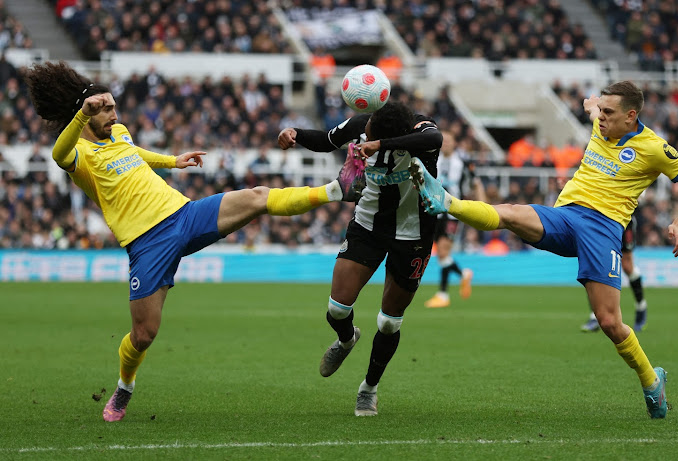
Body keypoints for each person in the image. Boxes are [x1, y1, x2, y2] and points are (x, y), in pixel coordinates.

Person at [24, 61, 351, 422]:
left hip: (183, 215)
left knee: (258, 197)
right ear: (86, 114)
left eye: (115, 107)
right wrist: (81, 116)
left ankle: (335, 189)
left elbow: (134, 153)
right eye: (106, 109)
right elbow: (58, 154)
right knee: (144, 335)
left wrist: (172, 161)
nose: (115, 115)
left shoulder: (119, 133)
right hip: (146, 244)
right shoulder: (77, 153)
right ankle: (125, 387)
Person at [408, 81, 678, 419]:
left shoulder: (653, 147)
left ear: (631, 116)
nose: (601, 119)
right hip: (566, 216)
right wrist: (592, 105)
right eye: (602, 112)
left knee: (610, 322)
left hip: (603, 229)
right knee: (510, 213)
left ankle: (652, 381)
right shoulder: (602, 119)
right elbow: (594, 106)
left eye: (609, 114)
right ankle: (447, 201)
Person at [278, 101, 442, 416]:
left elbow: (434, 140)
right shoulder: (364, 122)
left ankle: (369, 388)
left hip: (413, 233)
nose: (362, 131)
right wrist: (295, 133)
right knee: (337, 310)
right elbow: (326, 141)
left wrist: (379, 144)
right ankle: (346, 339)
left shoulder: (422, 132)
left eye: (369, 132)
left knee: (389, 323)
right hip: (368, 225)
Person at [424, 132, 474, 308]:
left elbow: (472, 183)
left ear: (455, 144)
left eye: (449, 141)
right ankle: (459, 278)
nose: (445, 144)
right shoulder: (433, 160)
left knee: (443, 253)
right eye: (443, 142)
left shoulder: (461, 164)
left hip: (452, 213)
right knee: (442, 256)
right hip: (434, 212)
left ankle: (444, 293)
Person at [581, 215, 648, 332]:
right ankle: (594, 315)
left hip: (624, 218)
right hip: (600, 218)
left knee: (627, 265)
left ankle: (641, 306)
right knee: (595, 262)